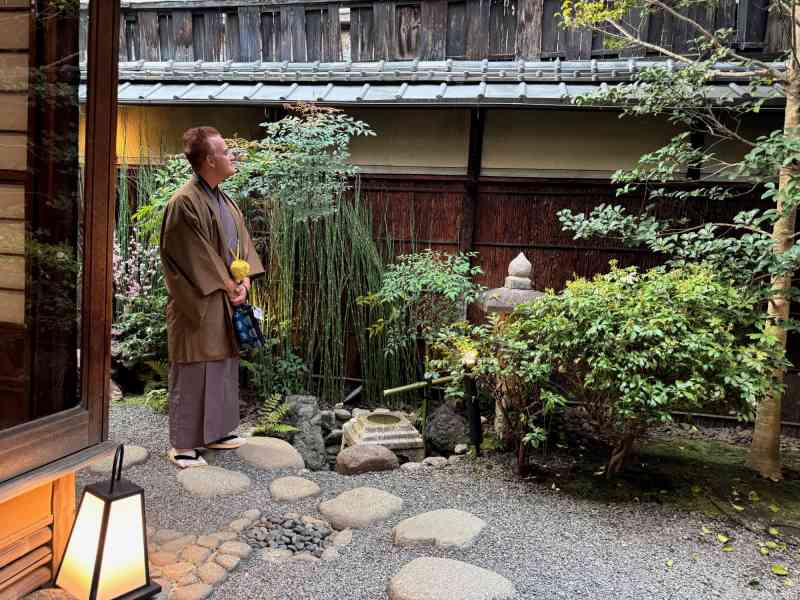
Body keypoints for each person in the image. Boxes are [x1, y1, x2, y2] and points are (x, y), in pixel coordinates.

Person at [160, 126, 264, 468]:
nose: (232, 156)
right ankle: (183, 445)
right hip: (197, 303)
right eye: (225, 151)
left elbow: (242, 246)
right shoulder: (184, 202)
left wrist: (244, 280)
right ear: (208, 160)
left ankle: (218, 433)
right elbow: (195, 257)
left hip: (225, 297)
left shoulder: (224, 199)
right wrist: (230, 286)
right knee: (195, 369)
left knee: (222, 366)